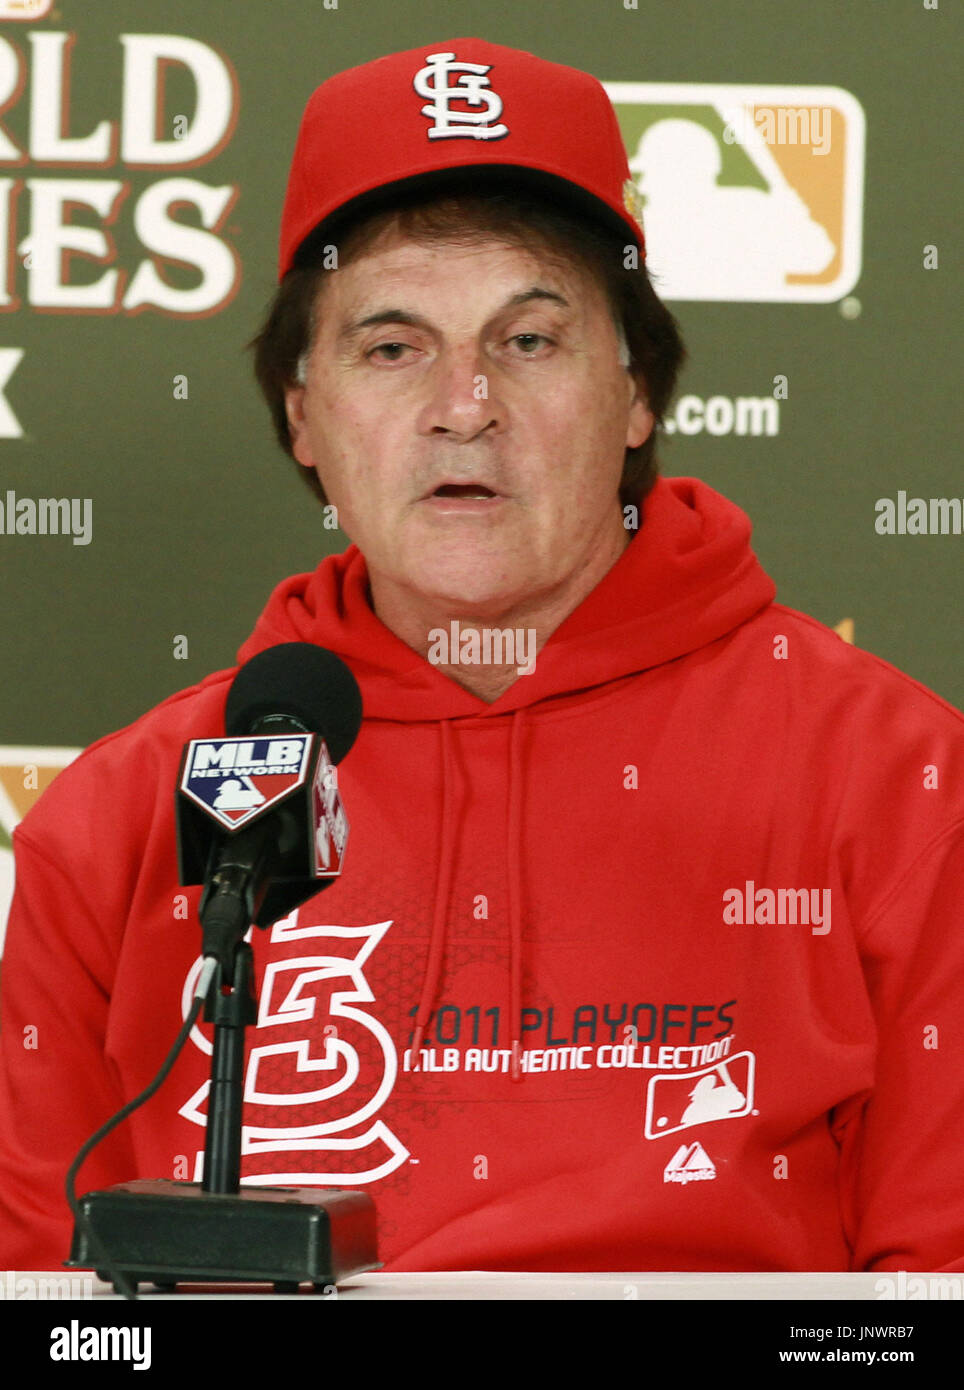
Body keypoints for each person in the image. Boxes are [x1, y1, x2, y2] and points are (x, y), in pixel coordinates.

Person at [1, 36, 963, 1276]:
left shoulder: (898, 776)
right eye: (392, 346)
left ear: (634, 393)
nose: (464, 403)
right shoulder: (123, 813)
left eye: (529, 339)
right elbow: (46, 1300)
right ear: (303, 412)